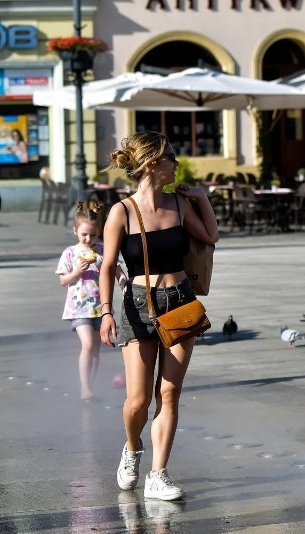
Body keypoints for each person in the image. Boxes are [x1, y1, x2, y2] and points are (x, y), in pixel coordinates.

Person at [99, 131, 219, 501]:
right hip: (138, 303)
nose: (176, 163)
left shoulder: (179, 205)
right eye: (171, 157)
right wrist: (105, 312)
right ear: (153, 164)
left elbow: (211, 237)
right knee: (138, 400)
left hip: (180, 300)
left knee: (169, 392)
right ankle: (133, 447)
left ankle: (158, 474)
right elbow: (106, 267)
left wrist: (201, 200)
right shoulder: (121, 212)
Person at [56, 202, 126, 400]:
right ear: (75, 230)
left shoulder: (104, 251)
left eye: (93, 235)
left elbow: (118, 271)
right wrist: (76, 272)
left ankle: (91, 384)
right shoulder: (70, 253)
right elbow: (63, 280)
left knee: (95, 348)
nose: (88, 239)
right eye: (84, 234)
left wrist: (125, 284)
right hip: (78, 308)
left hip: (100, 307)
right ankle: (85, 387)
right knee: (88, 344)